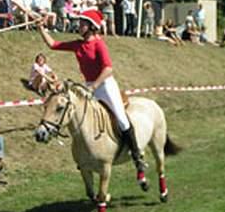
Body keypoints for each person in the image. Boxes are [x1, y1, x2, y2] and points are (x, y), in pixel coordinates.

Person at [36, 9, 147, 176]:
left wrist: (94, 86)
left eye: (83, 23)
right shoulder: (78, 44)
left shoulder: (99, 44)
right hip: (89, 85)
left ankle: (137, 156)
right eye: (80, 23)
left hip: (105, 85)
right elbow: (53, 45)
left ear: (91, 26)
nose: (79, 26)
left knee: (122, 120)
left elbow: (108, 69)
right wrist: (41, 29)